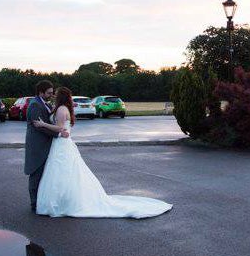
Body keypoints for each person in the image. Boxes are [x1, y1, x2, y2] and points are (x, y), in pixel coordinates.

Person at [34, 87, 172, 218]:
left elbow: (59, 128)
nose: (54, 96)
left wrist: (43, 124)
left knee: (61, 172)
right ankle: (64, 200)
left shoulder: (61, 109)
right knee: (66, 173)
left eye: (56, 94)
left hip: (61, 145)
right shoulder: (63, 109)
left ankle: (61, 203)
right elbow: (63, 128)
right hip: (63, 144)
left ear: (60, 97)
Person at [24, 81, 69, 213]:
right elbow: (40, 128)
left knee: (46, 175)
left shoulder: (45, 103)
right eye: (49, 93)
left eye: (52, 92)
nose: (51, 95)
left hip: (48, 145)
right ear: (41, 92)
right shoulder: (35, 105)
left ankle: (42, 202)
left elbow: (46, 123)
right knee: (36, 173)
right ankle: (34, 204)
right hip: (38, 146)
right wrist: (59, 133)